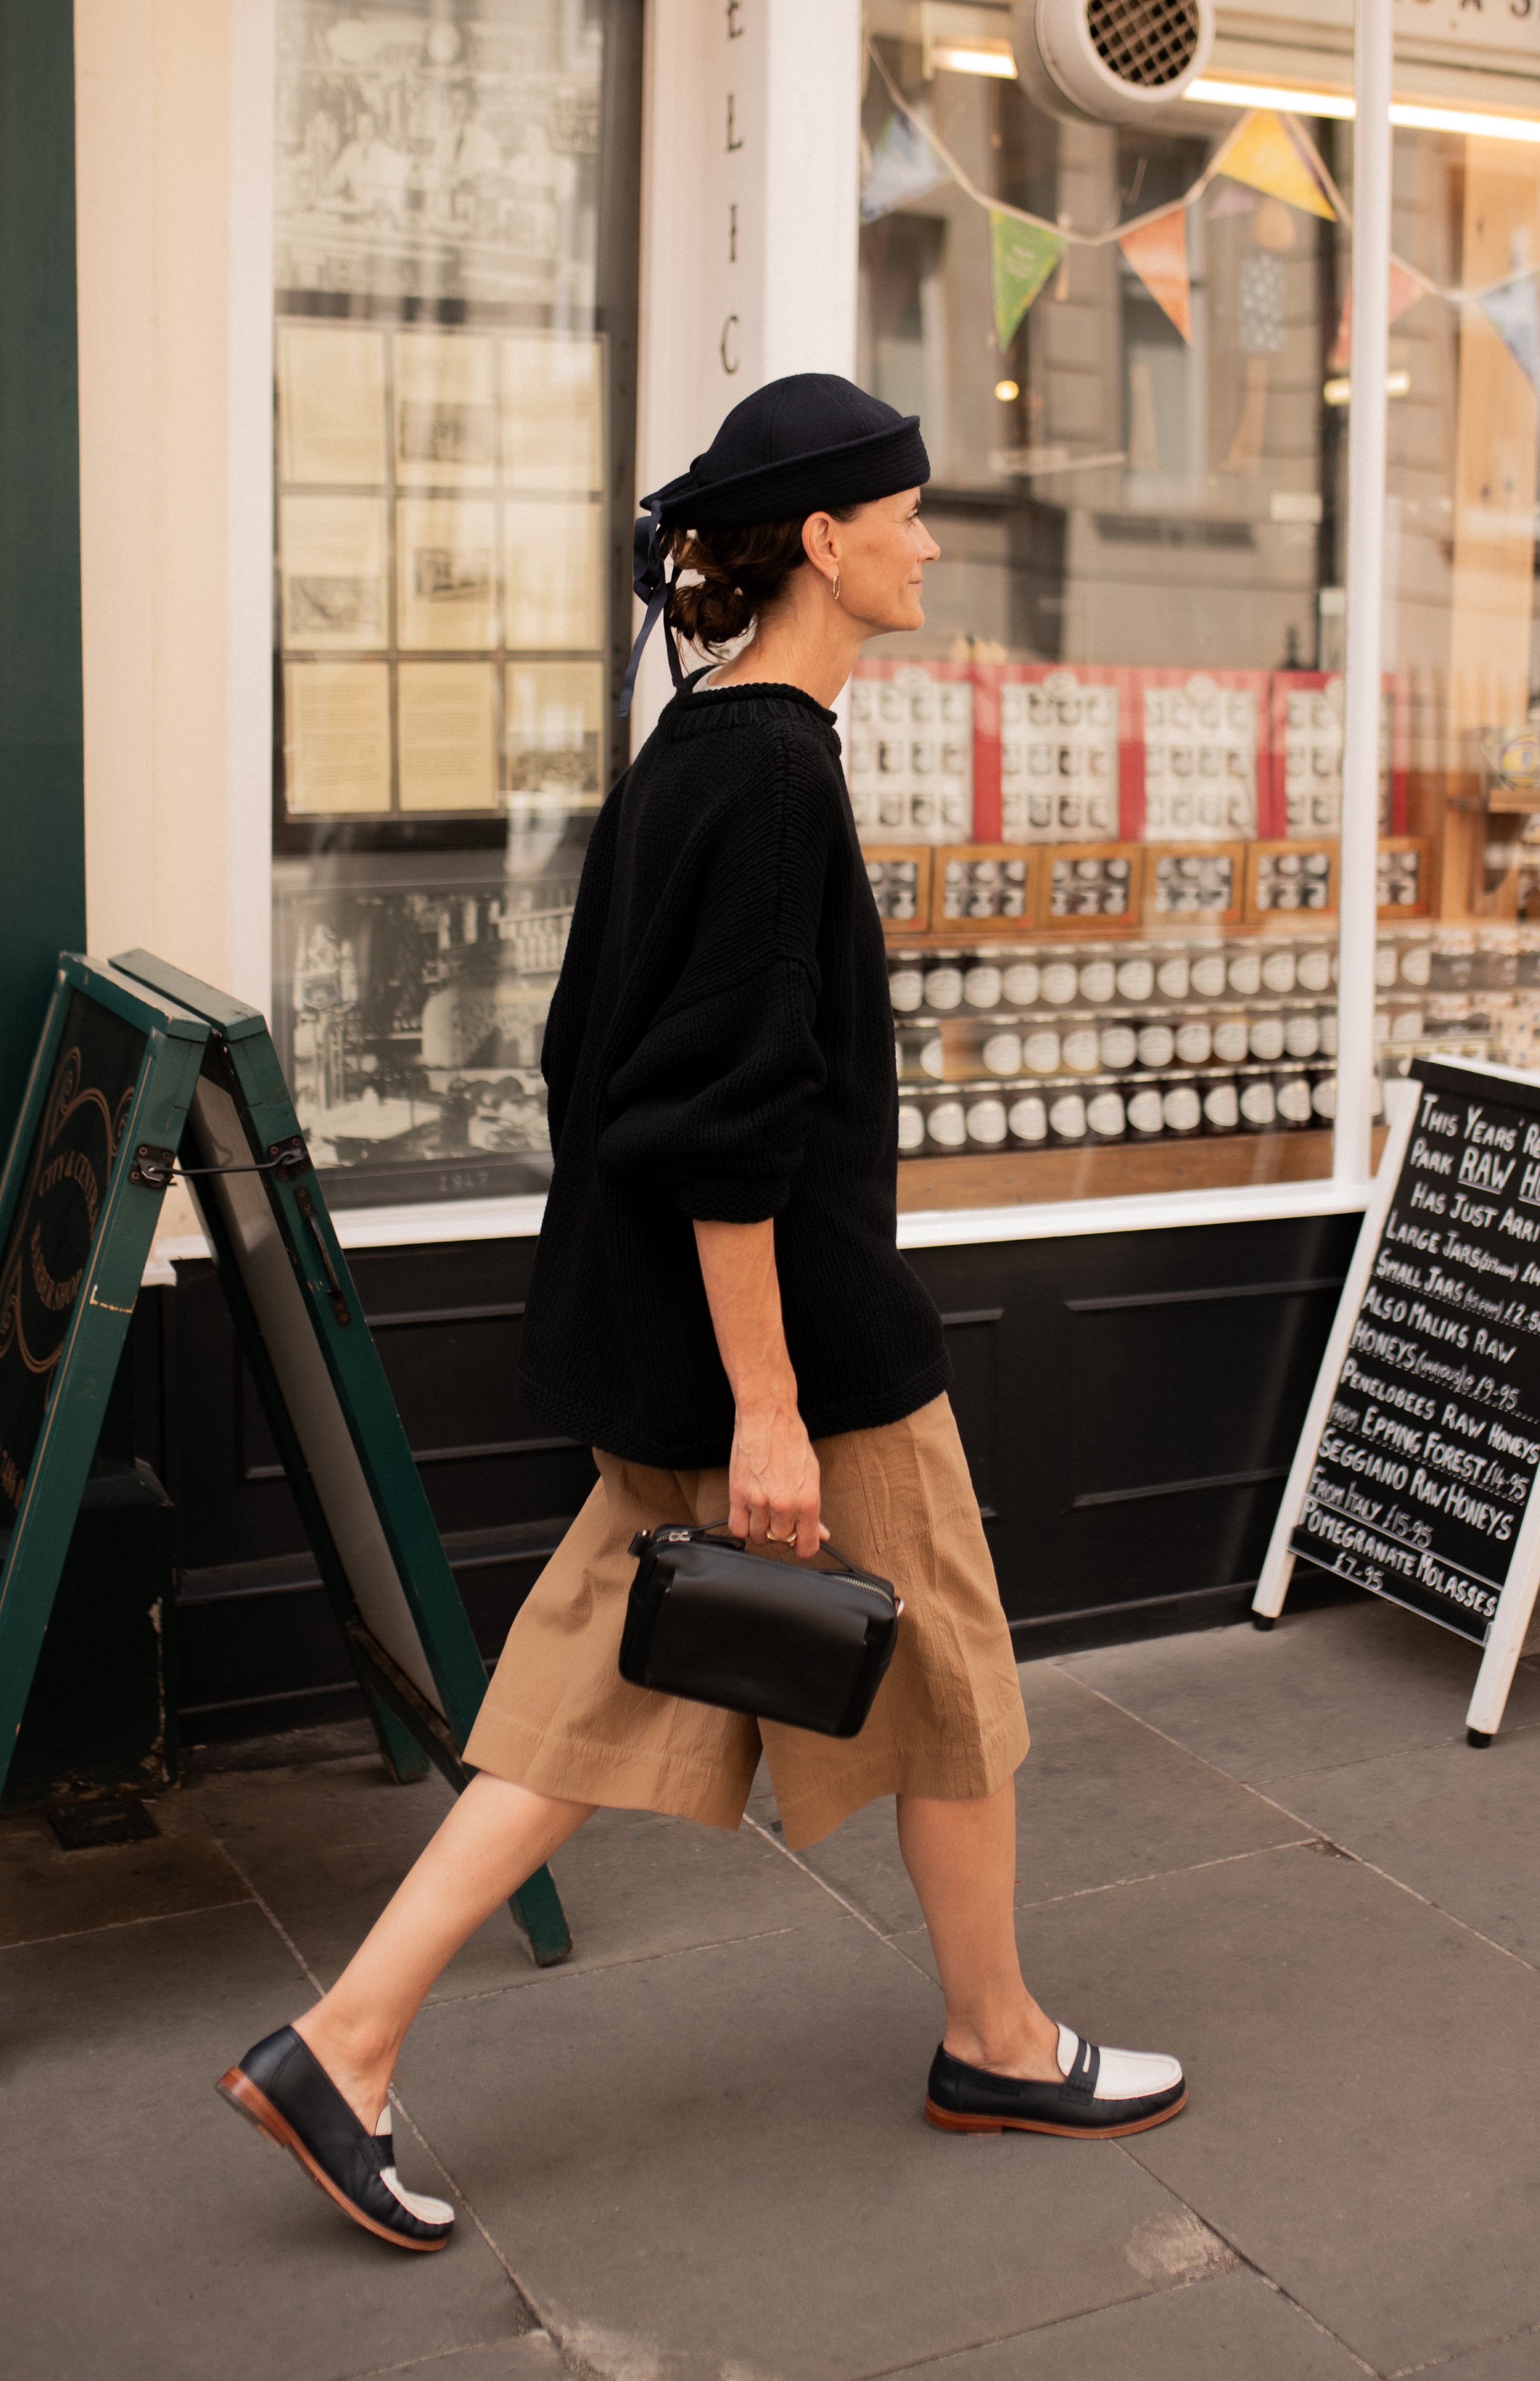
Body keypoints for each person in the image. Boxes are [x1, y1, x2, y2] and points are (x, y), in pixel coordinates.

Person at [218, 377, 1187, 2252]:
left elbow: (602, 1064)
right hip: (804, 1351)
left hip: (692, 1328)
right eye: (903, 511)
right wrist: (766, 1402)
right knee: (957, 1683)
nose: (927, 538)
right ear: (823, 542)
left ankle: (343, 2037)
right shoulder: (769, 776)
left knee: (588, 1685)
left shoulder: (700, 748)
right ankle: (994, 2037)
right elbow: (719, 1123)